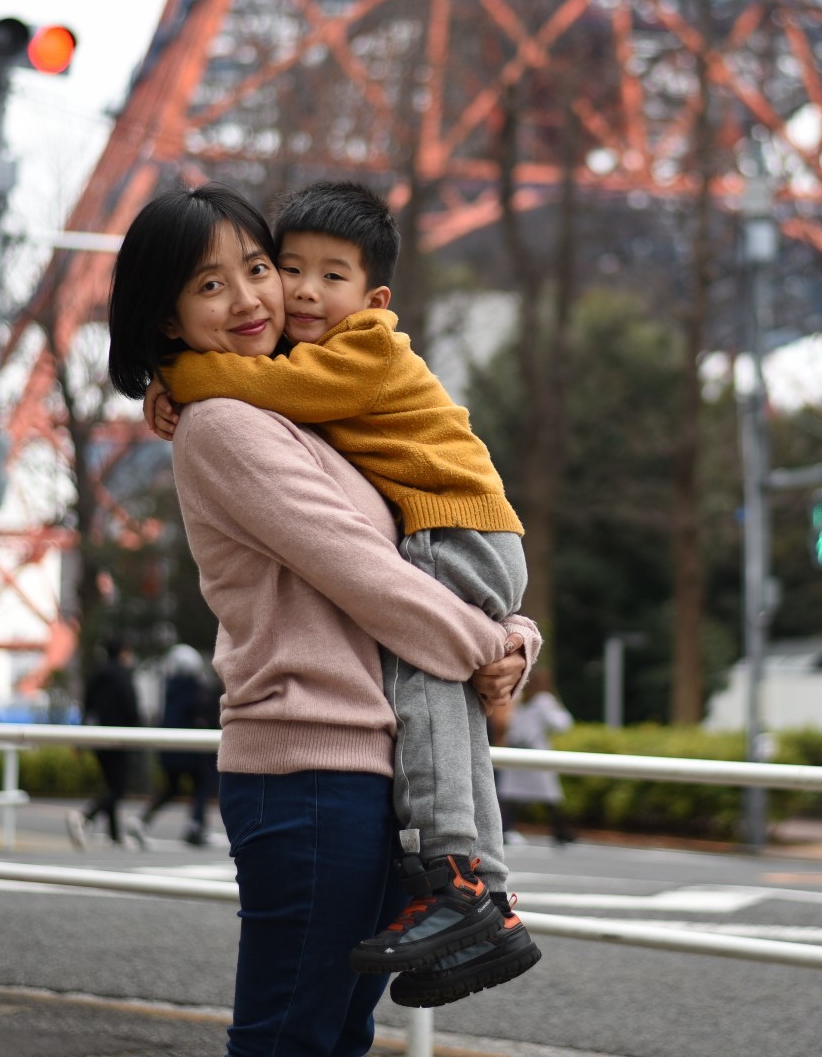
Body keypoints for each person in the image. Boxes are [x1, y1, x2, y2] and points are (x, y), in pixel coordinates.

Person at [107, 181, 542, 1052]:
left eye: (258, 267)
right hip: (309, 765)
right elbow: (370, 579)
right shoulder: (228, 424)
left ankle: (477, 893)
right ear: (167, 319)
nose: (254, 297)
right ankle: (477, 891)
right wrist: (489, 642)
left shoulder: (308, 410)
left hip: (369, 766)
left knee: (338, 1035)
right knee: (289, 1036)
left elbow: (427, 555)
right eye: (209, 285)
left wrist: (513, 636)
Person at [71, 640, 147, 850]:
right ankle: (85, 816)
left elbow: (86, 706)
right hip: (119, 736)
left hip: (97, 736)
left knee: (111, 783)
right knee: (118, 787)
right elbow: (131, 707)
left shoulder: (97, 674)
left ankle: (115, 835)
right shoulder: (123, 675)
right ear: (123, 652)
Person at [143, 642, 219, 846]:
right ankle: (196, 826)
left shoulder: (169, 688)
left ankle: (143, 820)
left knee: (171, 788)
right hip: (190, 751)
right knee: (203, 783)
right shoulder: (194, 690)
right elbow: (203, 719)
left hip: (169, 750)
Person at [495, 672, 575, 847]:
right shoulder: (544, 700)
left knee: (510, 796)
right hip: (537, 754)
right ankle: (561, 832)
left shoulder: (519, 698)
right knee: (550, 796)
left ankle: (502, 829)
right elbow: (562, 724)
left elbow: (511, 725)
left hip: (518, 753)